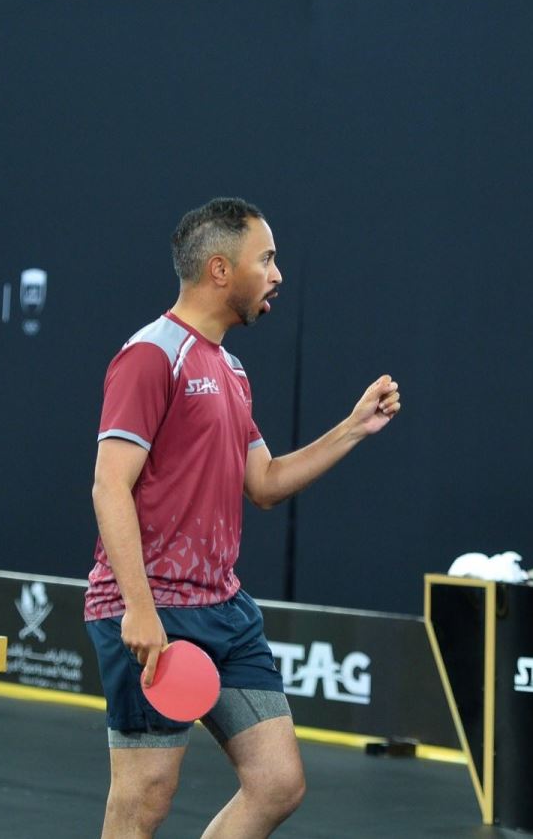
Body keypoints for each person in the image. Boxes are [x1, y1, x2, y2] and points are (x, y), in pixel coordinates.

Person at [84, 197, 401, 839]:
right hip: (155, 607)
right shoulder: (152, 354)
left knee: (278, 784)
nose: (278, 274)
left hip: (225, 610)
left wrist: (352, 429)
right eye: (268, 259)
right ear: (221, 270)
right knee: (144, 799)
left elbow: (263, 483)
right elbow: (109, 486)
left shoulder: (229, 370)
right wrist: (139, 610)